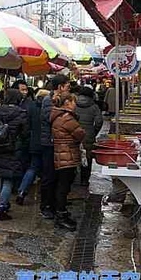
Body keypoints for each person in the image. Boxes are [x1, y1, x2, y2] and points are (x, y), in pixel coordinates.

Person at [0, 89, 28, 221]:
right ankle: (1, 208)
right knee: (8, 179)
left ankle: (4, 201)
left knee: (2, 174)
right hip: (13, 148)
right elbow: (24, 133)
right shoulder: (21, 113)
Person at [51, 92, 86, 231]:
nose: (75, 104)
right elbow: (80, 133)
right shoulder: (66, 118)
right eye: (73, 102)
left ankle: (61, 212)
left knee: (62, 185)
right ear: (67, 103)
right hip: (67, 156)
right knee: (63, 186)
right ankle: (61, 216)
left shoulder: (58, 116)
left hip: (62, 154)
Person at [40, 74, 70, 220]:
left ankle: (54, 204)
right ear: (60, 87)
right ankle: (45, 206)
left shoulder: (61, 100)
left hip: (59, 142)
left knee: (57, 176)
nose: (68, 89)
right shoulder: (48, 100)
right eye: (67, 86)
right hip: (49, 143)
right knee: (48, 175)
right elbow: (48, 118)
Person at [14, 81, 44, 204]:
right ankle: (23, 190)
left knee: (31, 167)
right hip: (43, 143)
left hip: (30, 142)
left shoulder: (30, 106)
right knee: (35, 167)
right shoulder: (47, 110)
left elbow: (26, 127)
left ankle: (21, 190)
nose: (25, 92)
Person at [75, 86, 103, 186]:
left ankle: (73, 179)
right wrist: (93, 131)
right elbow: (99, 121)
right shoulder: (94, 106)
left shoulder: (73, 104)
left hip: (74, 134)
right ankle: (84, 180)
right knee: (87, 157)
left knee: (73, 156)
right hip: (88, 135)